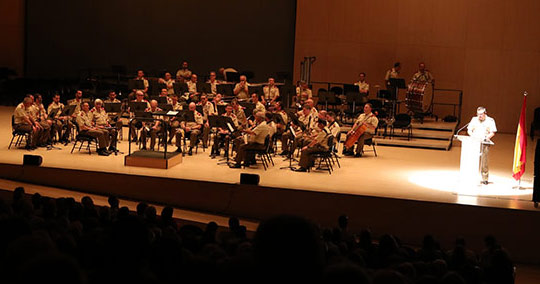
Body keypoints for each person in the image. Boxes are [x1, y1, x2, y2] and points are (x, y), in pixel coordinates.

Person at [467, 107, 497, 184]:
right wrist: (472, 135)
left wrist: (486, 138)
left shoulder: (490, 120)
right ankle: (471, 176)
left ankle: (485, 178)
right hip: (474, 142)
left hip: (484, 142)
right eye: (478, 114)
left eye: (481, 114)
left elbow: (493, 132)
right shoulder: (474, 119)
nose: (479, 116)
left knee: (484, 161)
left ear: (485, 113)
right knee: (472, 159)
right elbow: (469, 130)